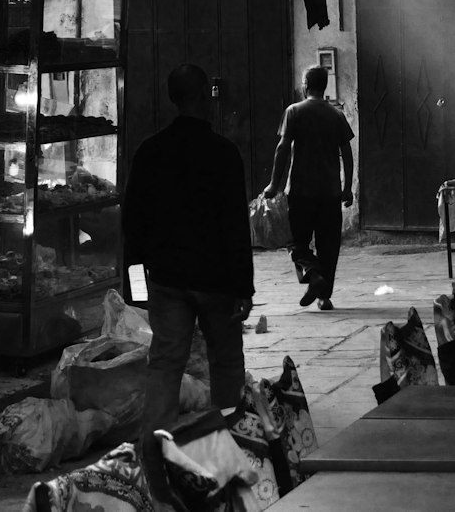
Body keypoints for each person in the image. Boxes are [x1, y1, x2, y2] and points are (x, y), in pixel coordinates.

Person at [122, 62, 253, 465]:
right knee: (226, 361)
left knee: (165, 363)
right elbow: (235, 226)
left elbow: (134, 223)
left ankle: (155, 454)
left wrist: (136, 286)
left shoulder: (150, 152)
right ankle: (232, 445)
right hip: (215, 280)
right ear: (204, 97)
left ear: (172, 98)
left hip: (167, 279)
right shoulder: (224, 154)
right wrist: (243, 288)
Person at [262, 65, 354, 310]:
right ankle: (324, 296)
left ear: (305, 85)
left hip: (300, 192)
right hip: (330, 192)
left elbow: (282, 149)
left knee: (296, 242)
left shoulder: (294, 111)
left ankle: (313, 275)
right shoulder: (336, 115)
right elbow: (346, 152)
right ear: (324, 86)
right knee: (329, 245)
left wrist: (274, 183)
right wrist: (347, 188)